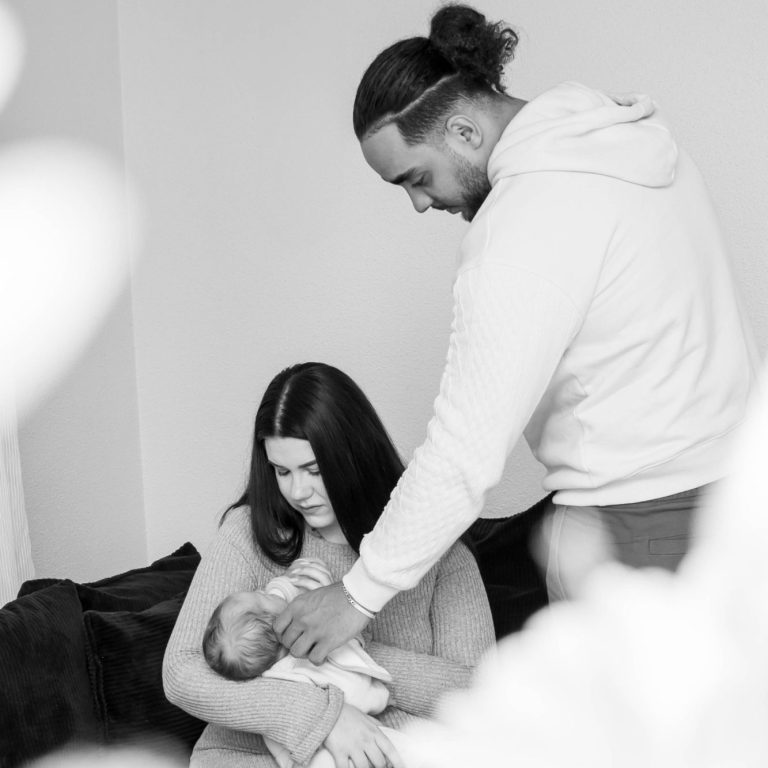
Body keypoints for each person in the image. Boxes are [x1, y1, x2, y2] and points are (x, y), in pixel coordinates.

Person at [273, 4, 759, 662]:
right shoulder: (627, 142)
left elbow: (463, 451)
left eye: (417, 178)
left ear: (464, 130)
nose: (420, 204)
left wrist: (358, 595)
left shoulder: (521, 228)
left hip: (637, 532)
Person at [162, 362, 495, 768]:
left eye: (314, 470)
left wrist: (344, 643)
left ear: (355, 455)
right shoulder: (247, 534)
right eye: (282, 471)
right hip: (243, 757)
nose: (298, 491)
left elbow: (483, 697)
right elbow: (182, 672)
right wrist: (321, 714)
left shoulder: (439, 556)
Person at [202, 557, 403, 768]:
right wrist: (332, 613)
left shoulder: (264, 671)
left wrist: (289, 582)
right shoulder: (306, 667)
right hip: (329, 753)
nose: (263, 589)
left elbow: (278, 597)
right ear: (282, 629)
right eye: (262, 597)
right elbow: (356, 676)